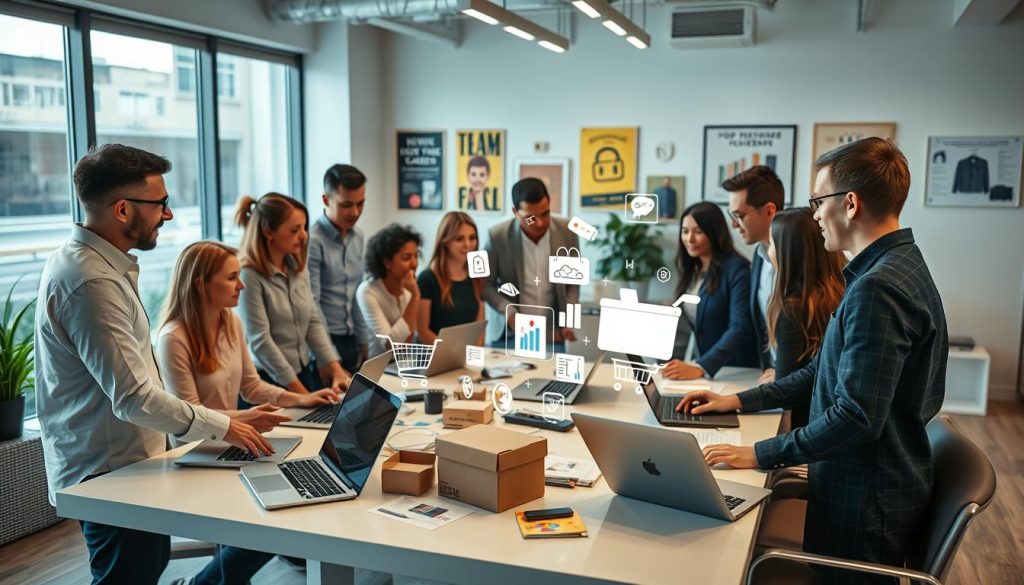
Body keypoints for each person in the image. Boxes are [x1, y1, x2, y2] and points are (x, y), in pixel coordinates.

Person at [680, 138, 948, 584]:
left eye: (818, 201)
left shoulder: (877, 289)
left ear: (849, 203)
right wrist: (740, 401)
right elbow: (819, 372)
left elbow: (855, 417)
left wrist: (760, 454)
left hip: (863, 502)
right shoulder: (898, 265)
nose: (815, 214)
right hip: (875, 485)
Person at [34, 144, 279, 584]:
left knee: (145, 568)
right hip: (108, 471)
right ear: (124, 209)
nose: (167, 215)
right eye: (160, 204)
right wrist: (225, 426)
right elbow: (133, 397)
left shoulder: (94, 266)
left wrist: (232, 419)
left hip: (127, 462)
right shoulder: (91, 281)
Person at [156, 241, 337, 584]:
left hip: (231, 442)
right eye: (232, 277)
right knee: (270, 523)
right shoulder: (173, 337)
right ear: (201, 284)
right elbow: (189, 418)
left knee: (292, 494)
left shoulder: (231, 322)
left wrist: (303, 398)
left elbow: (252, 387)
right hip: (193, 453)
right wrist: (246, 418)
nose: (241, 285)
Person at [235, 193, 351, 399]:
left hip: (302, 373)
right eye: (295, 230)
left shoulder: (296, 266)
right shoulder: (249, 275)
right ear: (268, 231)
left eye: (304, 228)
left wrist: (336, 368)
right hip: (270, 381)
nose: (304, 236)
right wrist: (302, 395)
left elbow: (312, 320)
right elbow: (260, 341)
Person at [763, 208, 846, 428]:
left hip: (807, 428)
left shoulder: (794, 308)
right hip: (828, 423)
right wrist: (784, 372)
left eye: (771, 244)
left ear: (787, 252)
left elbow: (786, 391)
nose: (769, 251)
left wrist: (781, 378)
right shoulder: (841, 294)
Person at [662, 202, 758, 380]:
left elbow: (740, 327)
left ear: (714, 233)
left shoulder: (737, 269)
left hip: (736, 372)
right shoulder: (693, 269)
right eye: (685, 231)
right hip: (707, 371)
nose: (689, 238)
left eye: (698, 232)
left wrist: (702, 366)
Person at [482, 177, 580, 347]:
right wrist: (508, 311)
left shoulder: (568, 232)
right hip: (509, 334)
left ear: (549, 203)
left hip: (554, 334)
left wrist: (569, 320)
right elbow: (485, 285)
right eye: (531, 218)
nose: (540, 223)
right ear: (515, 212)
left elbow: (572, 284)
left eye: (545, 214)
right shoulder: (497, 236)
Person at [723, 165, 784, 384]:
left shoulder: (800, 259)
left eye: (739, 215)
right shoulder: (758, 258)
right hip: (768, 380)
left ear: (769, 210)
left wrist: (785, 373)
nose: (733, 224)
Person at [308, 163, 371, 374]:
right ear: (326, 200)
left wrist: (364, 340)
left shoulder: (358, 236)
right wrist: (326, 357)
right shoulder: (312, 241)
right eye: (346, 205)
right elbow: (312, 304)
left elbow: (356, 294)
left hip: (350, 338)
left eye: (360, 204)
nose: (355, 212)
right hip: (324, 343)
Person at [417, 211, 484, 344]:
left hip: (468, 359)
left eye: (472, 237)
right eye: (459, 239)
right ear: (445, 241)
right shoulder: (427, 279)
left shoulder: (477, 275)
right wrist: (454, 353)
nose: (468, 244)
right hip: (437, 359)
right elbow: (423, 332)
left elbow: (480, 328)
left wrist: (474, 355)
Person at [356, 223, 423, 356]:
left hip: (406, 364)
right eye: (406, 258)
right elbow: (391, 345)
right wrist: (415, 297)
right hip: (380, 368)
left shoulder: (408, 287)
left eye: (416, 256)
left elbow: (409, 342)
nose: (414, 264)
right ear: (387, 262)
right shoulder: (367, 291)